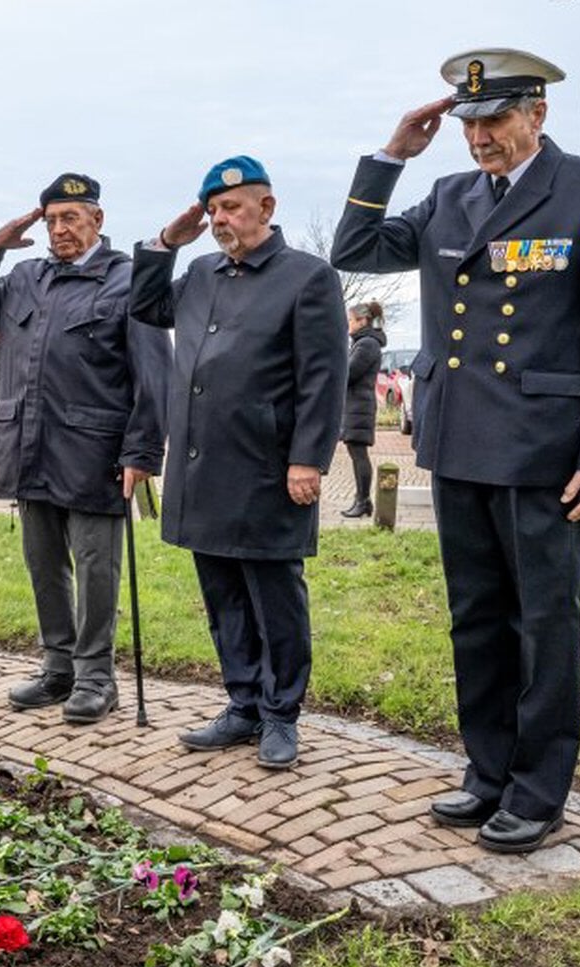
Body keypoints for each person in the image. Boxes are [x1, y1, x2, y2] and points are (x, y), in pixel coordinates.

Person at [331, 48, 580, 852]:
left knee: (543, 622)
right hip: (459, 437)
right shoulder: (447, 195)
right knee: (475, 618)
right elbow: (354, 251)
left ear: (536, 115)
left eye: (496, 120)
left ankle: (539, 790)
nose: (480, 138)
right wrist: (390, 158)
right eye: (469, 123)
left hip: (545, 448)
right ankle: (487, 773)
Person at [131, 156, 348, 769]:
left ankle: (281, 714)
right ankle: (242, 702)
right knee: (223, 594)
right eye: (214, 210)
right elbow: (146, 306)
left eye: (232, 207)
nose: (222, 219)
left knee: (275, 597)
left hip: (267, 465)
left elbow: (323, 379)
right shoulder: (200, 271)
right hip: (203, 464)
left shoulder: (307, 277)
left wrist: (308, 459)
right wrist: (168, 242)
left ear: (267, 208)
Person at [0, 172, 168, 724]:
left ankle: (96, 676)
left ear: (98, 220)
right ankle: (58, 667)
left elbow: (154, 375)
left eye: (71, 218)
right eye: (51, 221)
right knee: (43, 564)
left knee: (95, 569)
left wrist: (142, 452)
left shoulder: (127, 279)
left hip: (95, 451)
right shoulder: (24, 278)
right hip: (28, 445)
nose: (60, 229)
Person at [340, 302, 387, 517]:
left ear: (362, 321)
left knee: (359, 454)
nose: (348, 324)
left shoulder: (366, 344)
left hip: (359, 406)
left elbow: (349, 373)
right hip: (356, 406)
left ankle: (364, 501)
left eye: (350, 320)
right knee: (356, 452)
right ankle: (361, 500)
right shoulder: (363, 343)